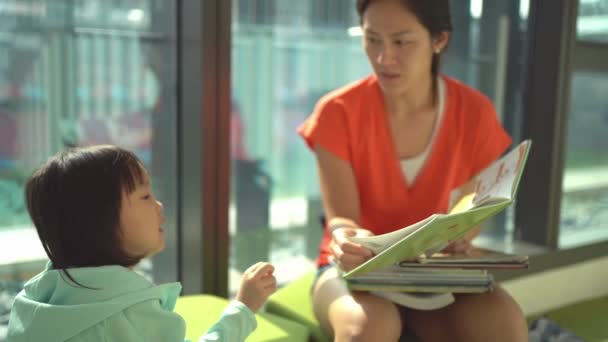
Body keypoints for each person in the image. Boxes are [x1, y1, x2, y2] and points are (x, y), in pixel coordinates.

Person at [298, 0, 528, 341]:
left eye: (401, 41)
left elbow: (469, 213)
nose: (383, 57)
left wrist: (463, 238)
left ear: (439, 40)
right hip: (352, 272)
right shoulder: (337, 112)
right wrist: (345, 238)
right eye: (372, 39)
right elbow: (341, 219)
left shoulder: (473, 112)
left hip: (434, 273)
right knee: (369, 327)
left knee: (504, 321)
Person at [7, 145, 277, 342]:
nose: (159, 206)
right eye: (145, 196)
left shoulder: (31, 302)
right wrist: (242, 309)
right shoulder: (131, 314)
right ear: (101, 220)